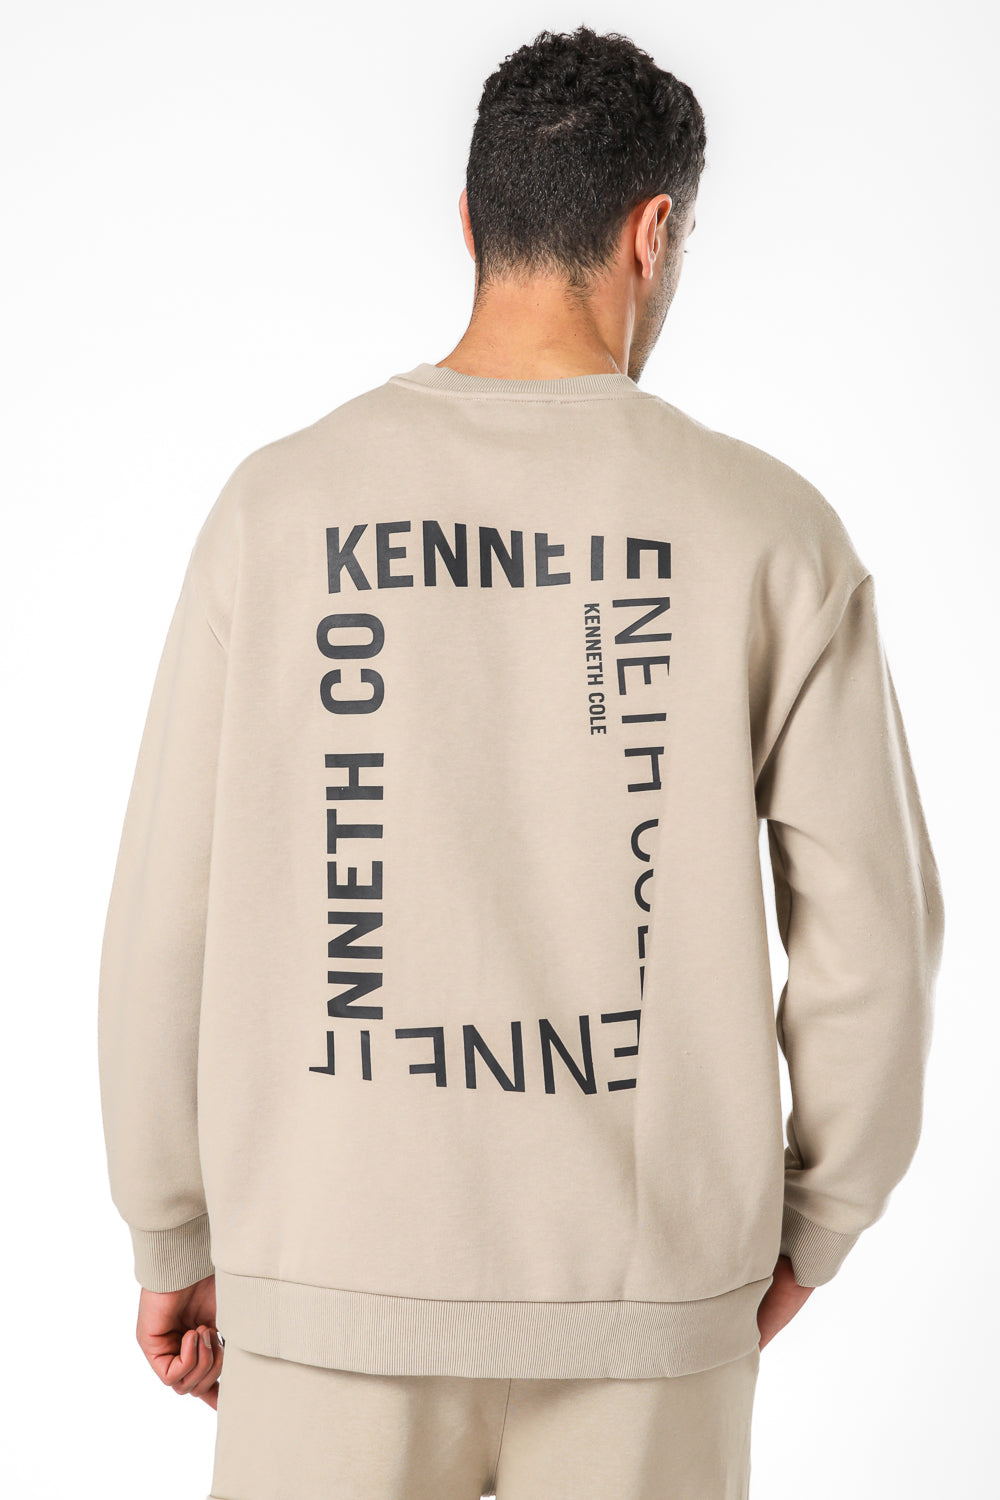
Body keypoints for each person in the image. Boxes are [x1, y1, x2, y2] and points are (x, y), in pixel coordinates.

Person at [97, 24, 945, 1500]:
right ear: (651, 232)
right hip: (649, 1304)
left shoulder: (277, 512)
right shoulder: (770, 531)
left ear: (470, 220)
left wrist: (171, 1229)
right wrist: (821, 1221)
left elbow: (169, 908)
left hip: (328, 1283)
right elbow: (875, 934)